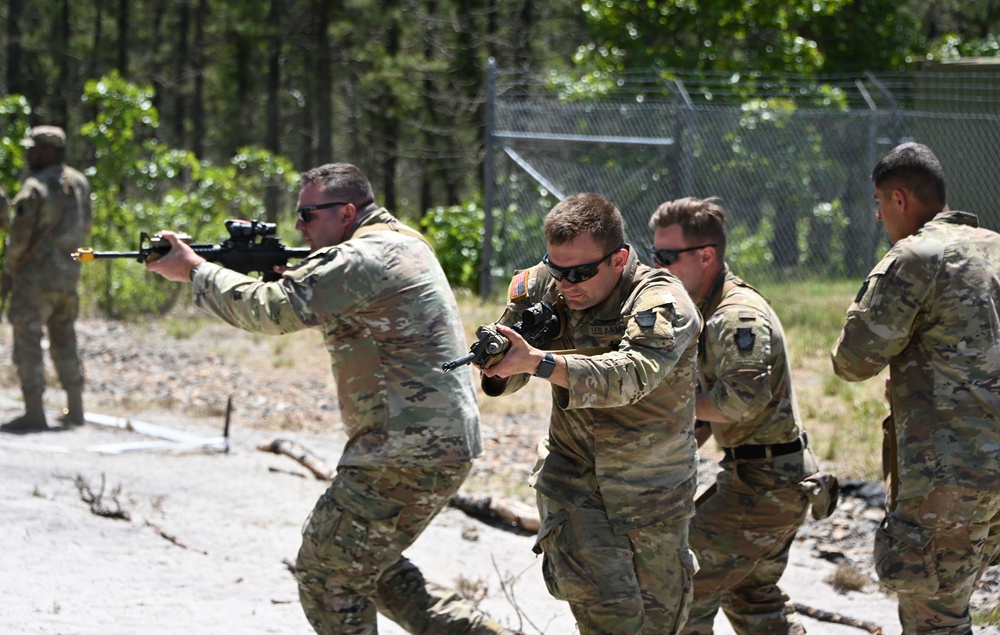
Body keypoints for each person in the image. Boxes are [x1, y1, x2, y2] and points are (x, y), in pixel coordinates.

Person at [146, 163, 516, 635]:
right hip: (423, 442)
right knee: (370, 569)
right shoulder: (400, 240)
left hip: (402, 446)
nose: (299, 227)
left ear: (345, 212)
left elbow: (272, 311)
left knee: (327, 574)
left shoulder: (360, 257)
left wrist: (196, 271)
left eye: (307, 215)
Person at [477, 192, 702, 635]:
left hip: (653, 493)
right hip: (576, 484)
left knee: (661, 625)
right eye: (557, 269)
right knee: (610, 624)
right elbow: (508, 372)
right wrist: (499, 362)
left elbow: (632, 376)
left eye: (581, 272)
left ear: (618, 259)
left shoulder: (659, 299)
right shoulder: (544, 284)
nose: (567, 284)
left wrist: (540, 361)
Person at [831, 142, 1000, 635]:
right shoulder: (995, 246)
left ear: (900, 199)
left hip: (947, 472)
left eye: (881, 207)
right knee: (956, 605)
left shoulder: (916, 256)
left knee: (934, 621)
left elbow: (853, 361)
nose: (881, 218)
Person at [650, 197, 835, 635]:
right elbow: (709, 419)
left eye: (666, 258)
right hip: (763, 478)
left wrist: (672, 405)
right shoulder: (708, 310)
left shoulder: (735, 317)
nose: (657, 269)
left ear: (706, 255)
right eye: (653, 256)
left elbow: (740, 400)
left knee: (679, 587)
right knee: (752, 600)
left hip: (765, 484)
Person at [1, 126, 92, 432]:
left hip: (35, 278)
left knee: (27, 339)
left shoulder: (35, 186)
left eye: (34, 149)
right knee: (64, 337)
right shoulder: (80, 182)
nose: (29, 154)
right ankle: (76, 409)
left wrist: (9, 270)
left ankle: (34, 412)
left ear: (48, 152)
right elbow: (86, 226)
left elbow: (20, 236)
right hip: (69, 276)